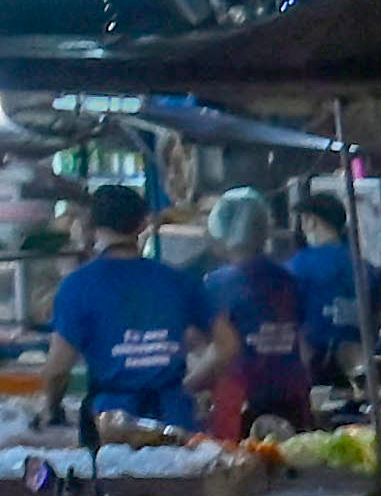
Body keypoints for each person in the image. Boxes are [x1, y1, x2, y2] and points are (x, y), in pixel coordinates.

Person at [45, 186, 205, 440]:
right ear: (143, 224)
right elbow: (216, 348)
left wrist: (51, 410)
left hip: (114, 426)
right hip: (177, 421)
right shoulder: (179, 281)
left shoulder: (77, 286)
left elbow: (57, 369)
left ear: (92, 226)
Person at [194, 190, 314, 433]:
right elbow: (303, 346)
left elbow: (220, 350)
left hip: (240, 403)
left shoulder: (219, 283)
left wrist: (188, 384)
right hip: (291, 399)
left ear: (223, 232)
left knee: (243, 466)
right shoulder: (289, 279)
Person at [285, 194, 381, 380]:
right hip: (360, 366)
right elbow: (380, 315)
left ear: (311, 221)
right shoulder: (366, 268)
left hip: (314, 367)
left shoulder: (297, 267)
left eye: (301, 221)